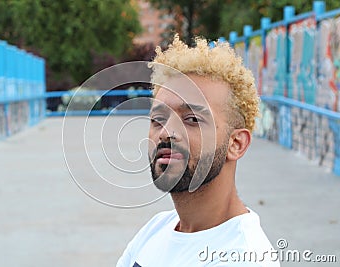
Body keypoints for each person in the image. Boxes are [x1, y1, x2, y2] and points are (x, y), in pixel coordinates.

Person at [116, 35, 280, 267]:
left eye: (191, 119)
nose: (166, 133)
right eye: (158, 119)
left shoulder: (242, 257)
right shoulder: (157, 228)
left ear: (237, 144)